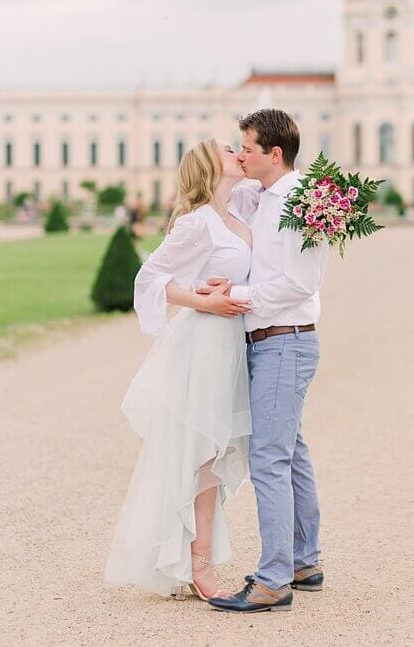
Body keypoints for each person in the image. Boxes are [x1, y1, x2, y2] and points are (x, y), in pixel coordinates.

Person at [105, 138, 256, 600]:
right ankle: (196, 563)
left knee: (212, 452)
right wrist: (202, 299)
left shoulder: (240, 211)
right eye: (228, 149)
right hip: (207, 344)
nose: (238, 151)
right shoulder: (197, 223)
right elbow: (149, 278)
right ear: (210, 167)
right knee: (202, 454)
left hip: (234, 342)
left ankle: (195, 555)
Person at [206, 109, 329, 613]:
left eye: (248, 148)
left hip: (285, 340)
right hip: (273, 340)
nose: (241, 154)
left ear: (274, 154)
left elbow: (300, 283)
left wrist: (237, 294)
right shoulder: (260, 196)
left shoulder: (300, 203)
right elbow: (213, 192)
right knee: (290, 451)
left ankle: (274, 577)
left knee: (269, 459)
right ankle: (303, 560)